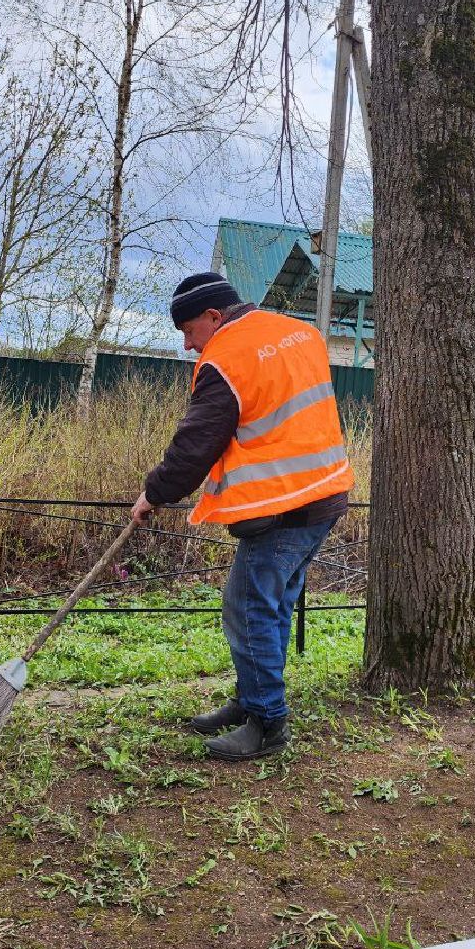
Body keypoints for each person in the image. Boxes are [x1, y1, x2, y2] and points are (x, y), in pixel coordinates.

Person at [131, 272, 352, 761]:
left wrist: (155, 493)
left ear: (214, 317)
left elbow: (196, 444)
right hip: (326, 492)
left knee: (248, 608)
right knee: (270, 607)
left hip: (283, 506)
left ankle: (267, 724)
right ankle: (252, 701)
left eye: (189, 332)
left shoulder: (226, 357)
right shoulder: (296, 331)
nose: (189, 346)